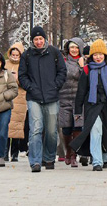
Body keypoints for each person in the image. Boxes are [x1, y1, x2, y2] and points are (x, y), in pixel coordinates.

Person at [18, 25, 68, 173]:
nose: (38, 42)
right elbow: (22, 75)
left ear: (45, 39)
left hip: (52, 97)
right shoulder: (27, 55)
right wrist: (30, 87)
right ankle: (35, 161)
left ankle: (49, 157)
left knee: (52, 130)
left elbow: (62, 71)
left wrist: (55, 86)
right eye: (36, 39)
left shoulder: (54, 53)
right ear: (32, 40)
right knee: (36, 129)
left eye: (40, 39)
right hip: (34, 97)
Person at [71, 39, 107, 171]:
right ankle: (97, 161)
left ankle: (105, 157)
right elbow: (81, 91)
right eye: (95, 54)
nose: (98, 57)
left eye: (101, 54)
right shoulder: (87, 70)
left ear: (105, 55)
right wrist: (78, 111)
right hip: (92, 105)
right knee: (95, 131)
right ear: (92, 56)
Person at [58, 37, 86, 167]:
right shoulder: (62, 61)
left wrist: (82, 67)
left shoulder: (84, 63)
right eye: (72, 47)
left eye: (76, 48)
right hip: (64, 98)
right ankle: (67, 151)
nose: (74, 50)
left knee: (77, 127)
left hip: (78, 99)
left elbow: (85, 80)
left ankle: (74, 155)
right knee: (66, 128)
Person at [6, 43, 29, 162]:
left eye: (17, 55)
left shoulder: (24, 65)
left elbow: (27, 81)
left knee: (17, 127)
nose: (15, 57)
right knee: (4, 125)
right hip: (6, 97)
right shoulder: (5, 64)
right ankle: (4, 152)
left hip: (19, 98)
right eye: (13, 54)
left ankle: (14, 153)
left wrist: (17, 80)